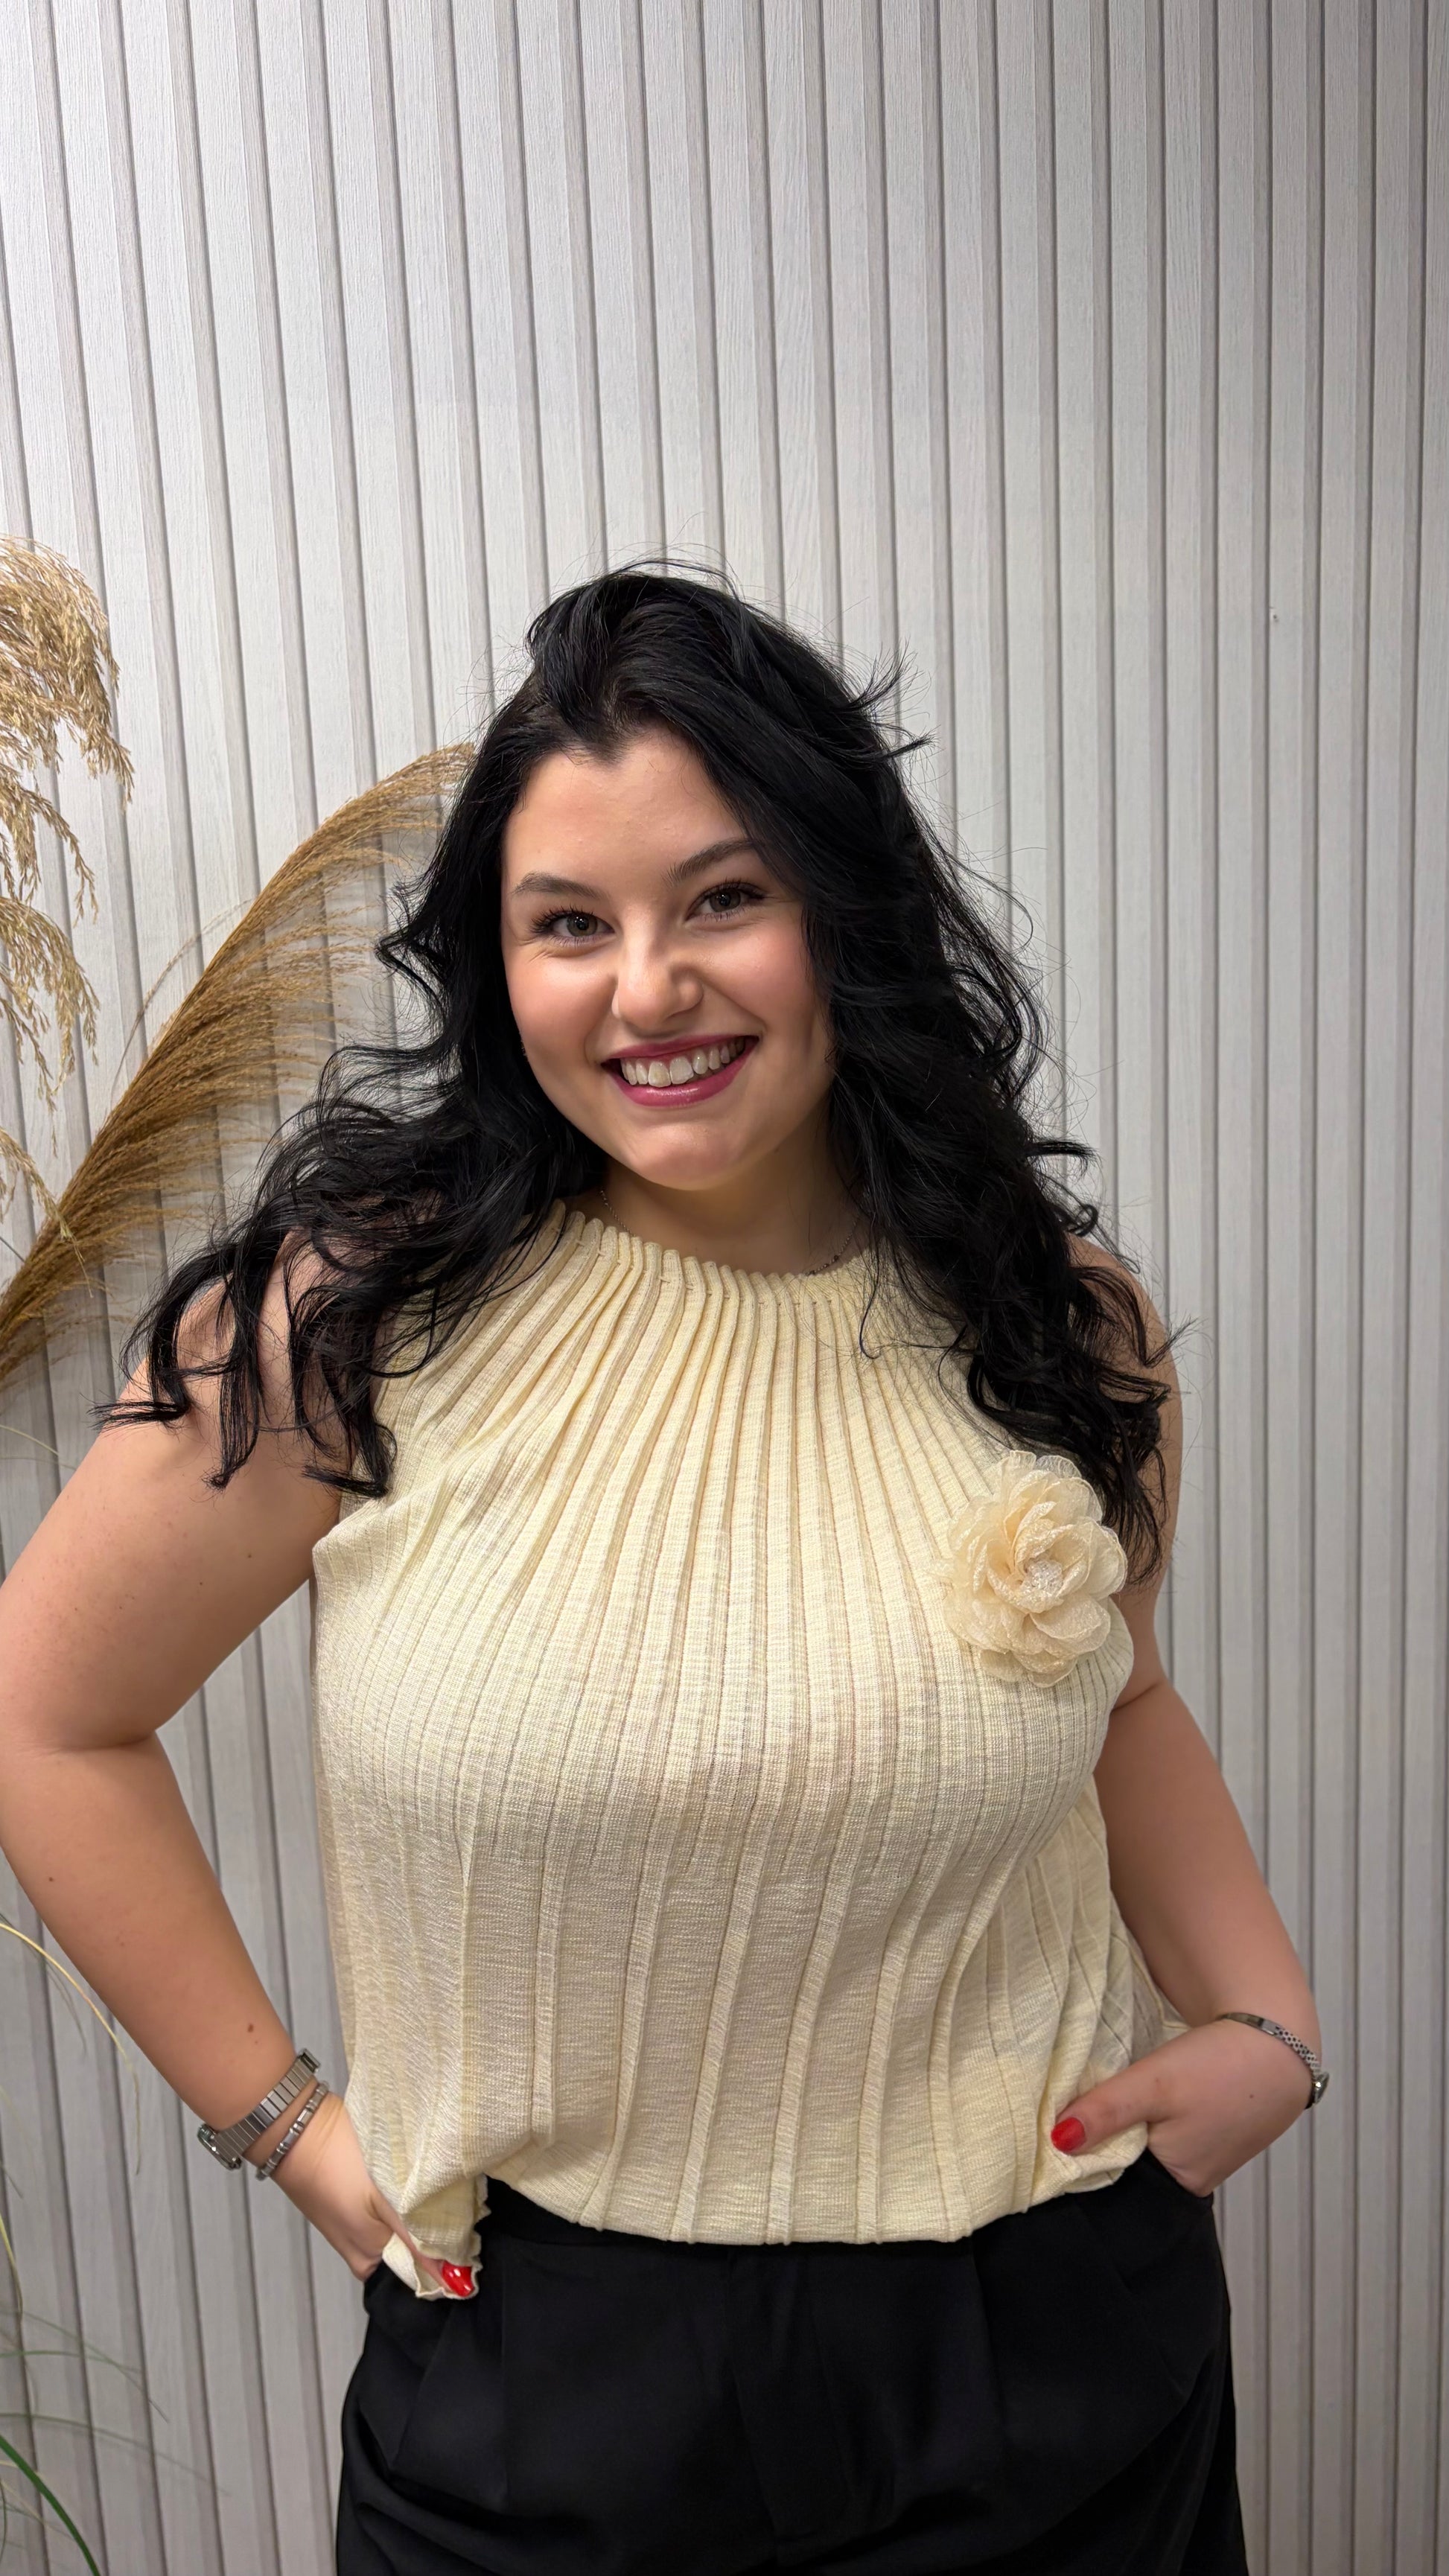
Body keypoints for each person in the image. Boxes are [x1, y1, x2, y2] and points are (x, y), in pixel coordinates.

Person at [0, 570, 1323, 2574]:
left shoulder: (1054, 1316)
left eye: (721, 898)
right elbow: (47, 1714)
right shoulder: (345, 1323)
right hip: (543, 2376)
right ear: (497, 961)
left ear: (844, 912)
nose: (647, 989)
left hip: (1046, 2345)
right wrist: (293, 2132)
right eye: (568, 924)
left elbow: (1117, 1695)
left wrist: (1264, 2018)